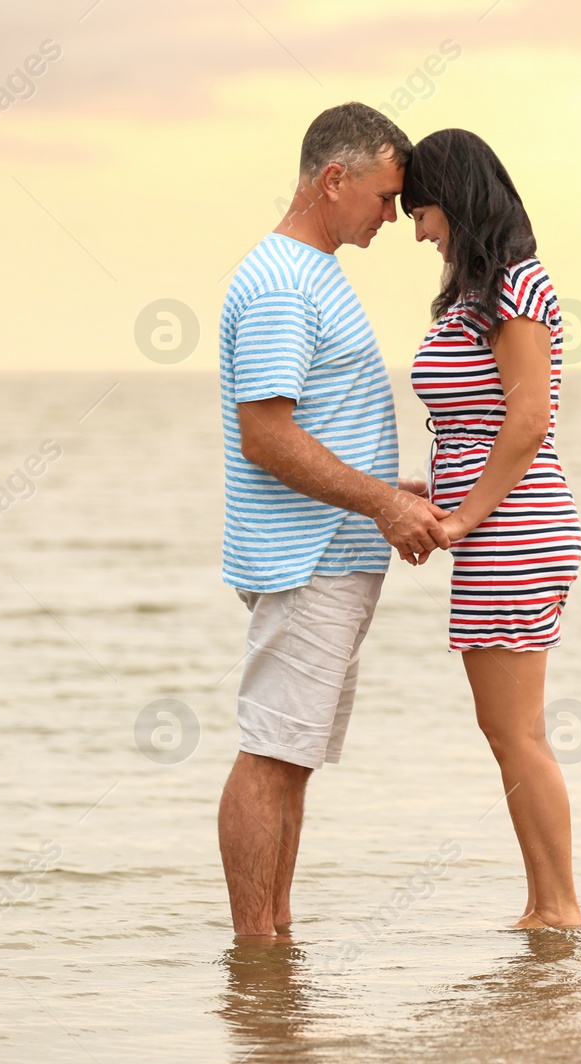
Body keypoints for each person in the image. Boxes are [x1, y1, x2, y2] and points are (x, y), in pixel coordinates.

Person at [216, 103, 451, 941]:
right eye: (385, 197)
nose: (391, 217)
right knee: (271, 753)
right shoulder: (283, 279)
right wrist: (384, 503)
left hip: (330, 550)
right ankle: (258, 950)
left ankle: (275, 943)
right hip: (304, 555)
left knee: (292, 759)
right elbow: (267, 433)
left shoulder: (313, 270)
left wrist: (395, 487)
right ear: (333, 180)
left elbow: (317, 421)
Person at [400, 128, 581, 928]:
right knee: (506, 729)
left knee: (517, 732)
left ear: (459, 199)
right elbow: (476, 429)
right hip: (494, 523)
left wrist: (466, 517)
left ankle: (558, 906)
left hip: (516, 525)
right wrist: (431, 494)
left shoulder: (519, 285)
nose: (416, 229)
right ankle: (545, 902)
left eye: (423, 209)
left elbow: (527, 419)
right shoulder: (481, 291)